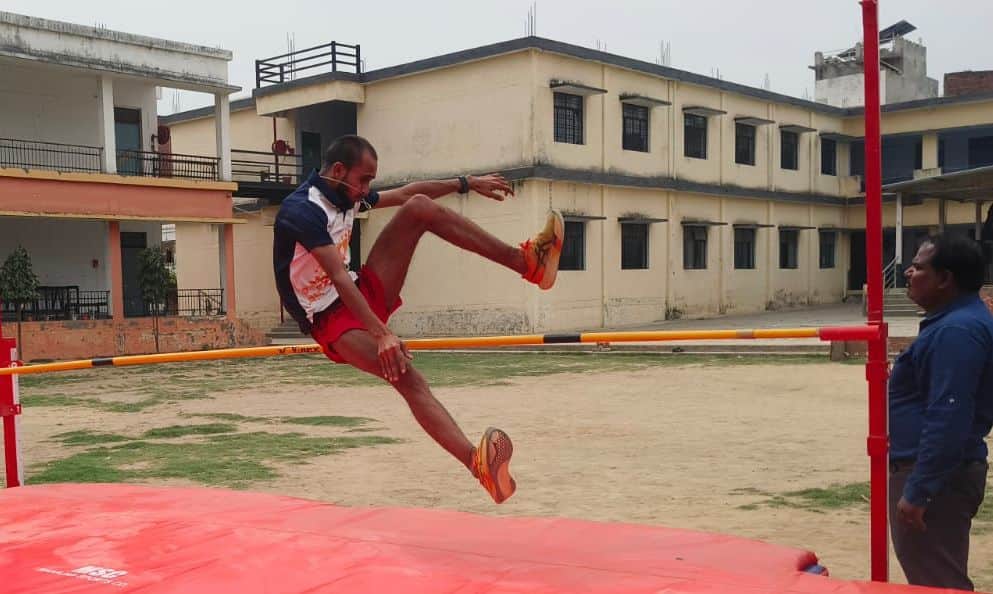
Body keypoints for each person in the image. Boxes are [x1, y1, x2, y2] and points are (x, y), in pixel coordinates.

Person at [273, 134, 564, 504]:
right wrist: (381, 335)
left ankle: (529, 265)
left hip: (360, 294)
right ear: (339, 171)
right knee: (409, 378)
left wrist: (466, 183)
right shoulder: (301, 210)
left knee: (419, 207)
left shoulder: (348, 193)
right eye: (364, 180)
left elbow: (408, 192)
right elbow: (337, 276)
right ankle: (480, 468)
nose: (367, 190)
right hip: (332, 321)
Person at [889, 233, 993, 590]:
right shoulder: (956, 323)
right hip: (939, 473)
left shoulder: (957, 330)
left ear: (945, 278)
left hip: (937, 477)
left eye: (917, 267)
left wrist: (920, 490)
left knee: (938, 583)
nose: (907, 273)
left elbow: (949, 413)